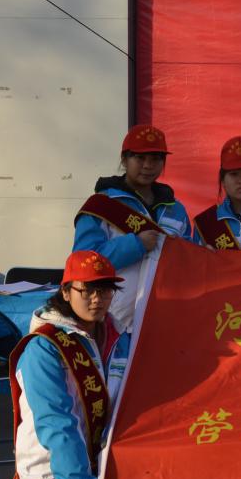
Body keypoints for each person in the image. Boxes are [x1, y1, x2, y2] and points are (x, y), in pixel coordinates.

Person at [4, 251, 127, 479]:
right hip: (51, 476)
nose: (97, 299)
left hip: (100, 461)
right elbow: (56, 423)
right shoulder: (44, 348)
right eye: (88, 290)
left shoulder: (115, 335)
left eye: (105, 290)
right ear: (66, 291)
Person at [72, 124, 194, 334]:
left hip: (165, 318)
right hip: (114, 322)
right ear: (124, 160)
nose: (148, 165)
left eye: (155, 158)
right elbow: (82, 262)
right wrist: (136, 244)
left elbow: (187, 260)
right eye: (140, 158)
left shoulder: (176, 209)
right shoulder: (101, 205)